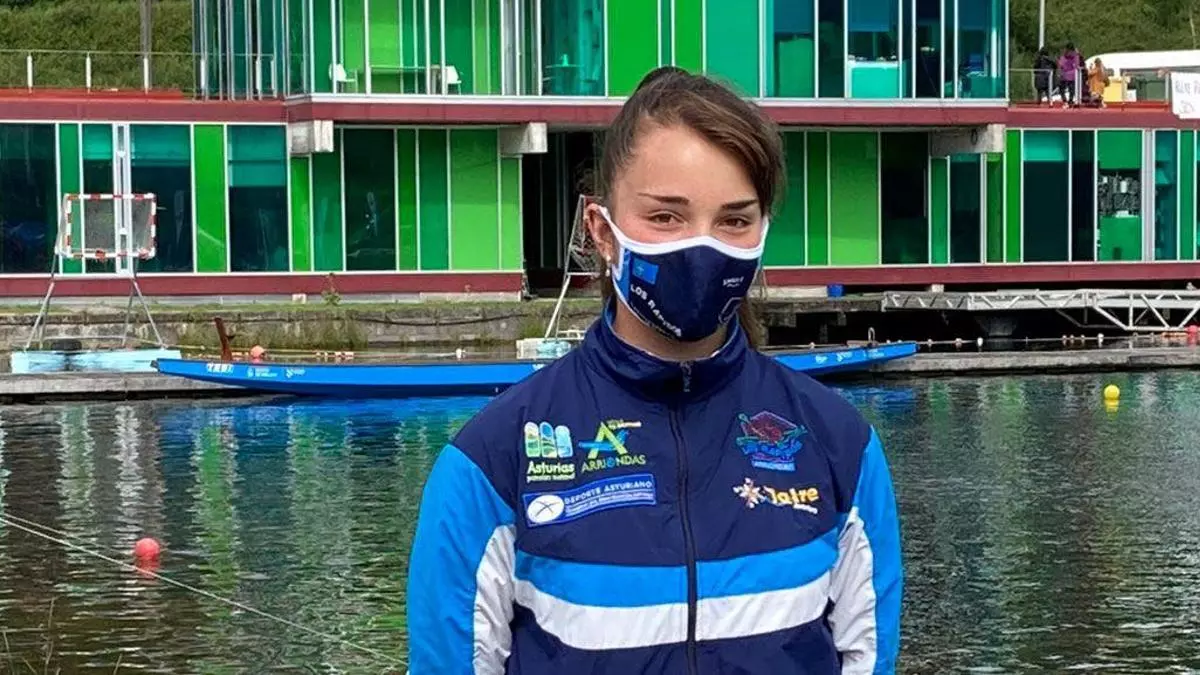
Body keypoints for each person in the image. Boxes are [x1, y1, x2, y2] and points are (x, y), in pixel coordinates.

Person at [406, 66, 904, 674]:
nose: (701, 246)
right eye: (666, 217)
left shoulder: (841, 446)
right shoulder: (491, 461)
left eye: (734, 220)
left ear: (762, 232)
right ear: (602, 231)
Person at [1058, 42, 1083, 106]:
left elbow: (1061, 64)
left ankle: (1064, 100)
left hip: (1064, 74)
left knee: (1061, 89)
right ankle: (1070, 100)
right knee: (1071, 89)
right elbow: (1077, 65)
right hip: (1073, 75)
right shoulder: (1076, 56)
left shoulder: (1064, 55)